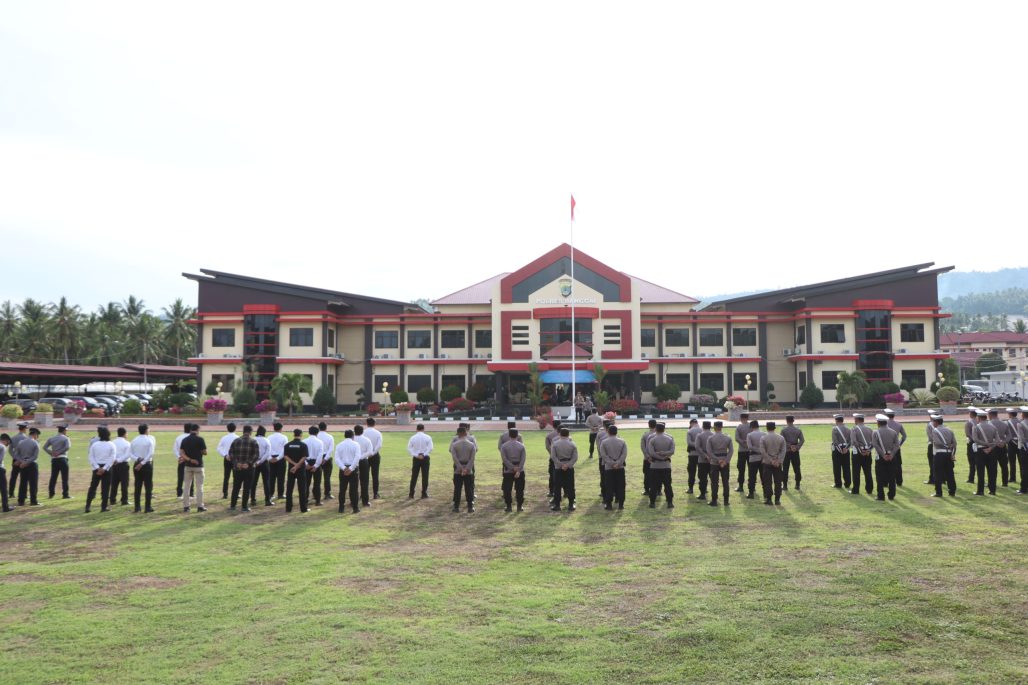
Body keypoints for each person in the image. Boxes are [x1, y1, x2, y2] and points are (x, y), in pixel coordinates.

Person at [229, 425, 259, 512]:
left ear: (243, 431)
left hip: (237, 468)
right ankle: (244, 506)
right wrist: (248, 463)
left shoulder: (236, 441)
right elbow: (256, 455)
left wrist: (236, 463)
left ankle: (233, 505)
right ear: (251, 432)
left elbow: (231, 453)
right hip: (249, 469)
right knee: (247, 488)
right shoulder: (253, 442)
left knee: (236, 487)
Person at [85, 426, 116, 513]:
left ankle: (88, 506)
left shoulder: (95, 444)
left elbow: (91, 457)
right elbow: (112, 458)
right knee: (105, 488)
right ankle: (103, 507)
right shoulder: (111, 444)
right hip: (107, 468)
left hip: (96, 468)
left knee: (93, 487)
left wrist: (97, 468)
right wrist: (105, 468)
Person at [179, 424, 208, 513]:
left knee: (187, 486)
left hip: (188, 465)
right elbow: (205, 452)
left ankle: (186, 506)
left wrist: (190, 460)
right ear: (198, 430)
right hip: (198, 465)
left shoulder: (184, 439)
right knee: (199, 487)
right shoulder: (200, 439)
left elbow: (182, 453)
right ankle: (200, 506)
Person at [971, 409, 999, 496]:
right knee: (992, 471)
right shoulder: (993, 427)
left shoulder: (975, 427)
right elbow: (997, 440)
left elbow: (975, 439)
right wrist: (990, 447)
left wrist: (986, 445)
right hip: (992, 451)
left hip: (980, 450)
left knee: (980, 471)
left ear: (979, 418)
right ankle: (992, 490)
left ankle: (980, 491)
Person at [928, 415, 957, 497]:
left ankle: (938, 492)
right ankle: (952, 491)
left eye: (933, 421)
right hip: (949, 454)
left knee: (937, 473)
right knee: (950, 473)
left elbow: (937, 442)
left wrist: (945, 446)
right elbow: (954, 444)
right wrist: (953, 454)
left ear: (936, 422)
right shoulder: (949, 430)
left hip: (939, 454)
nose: (932, 423)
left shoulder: (935, 431)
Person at [550, 427, 578, 512]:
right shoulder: (572, 444)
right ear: (568, 435)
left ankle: (557, 505)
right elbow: (575, 457)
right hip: (569, 467)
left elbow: (553, 457)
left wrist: (561, 464)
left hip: (558, 467)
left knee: (557, 486)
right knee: (570, 486)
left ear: (559, 434)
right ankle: (571, 504)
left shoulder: (555, 444)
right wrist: (568, 465)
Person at [872, 414, 900, 501]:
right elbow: (897, 445)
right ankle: (891, 495)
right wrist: (891, 455)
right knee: (892, 476)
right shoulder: (893, 432)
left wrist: (883, 455)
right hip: (892, 457)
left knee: (879, 477)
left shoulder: (875, 432)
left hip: (880, 457)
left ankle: (881, 495)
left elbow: (875, 445)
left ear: (878, 422)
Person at [599, 424, 627, 510]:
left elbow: (603, 455)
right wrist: (618, 463)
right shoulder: (622, 441)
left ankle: (609, 504)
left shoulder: (604, 442)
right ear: (616, 432)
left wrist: (611, 463)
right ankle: (621, 504)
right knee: (621, 485)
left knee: (609, 485)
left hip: (608, 467)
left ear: (608, 431)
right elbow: (624, 454)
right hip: (620, 467)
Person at [648, 422, 675, 509]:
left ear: (655, 429)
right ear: (664, 429)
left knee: (653, 485)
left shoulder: (652, 439)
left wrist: (659, 456)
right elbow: (672, 451)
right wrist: (664, 455)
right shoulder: (670, 439)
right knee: (668, 484)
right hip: (666, 465)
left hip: (655, 465)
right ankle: (670, 502)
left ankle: (652, 503)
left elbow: (651, 453)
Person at [130, 424, 156, 513]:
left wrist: (138, 460)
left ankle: (137, 507)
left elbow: (130, 453)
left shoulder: (134, 440)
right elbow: (151, 453)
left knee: (137, 486)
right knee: (148, 486)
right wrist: (143, 463)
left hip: (137, 464)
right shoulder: (149, 440)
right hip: (147, 464)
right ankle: (147, 507)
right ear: (146, 430)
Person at [283, 429, 310, 513]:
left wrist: (294, 465)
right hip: (300, 469)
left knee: (289, 489)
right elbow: (304, 457)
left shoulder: (288, 445)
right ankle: (303, 508)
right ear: (301, 434)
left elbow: (285, 456)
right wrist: (297, 465)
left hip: (291, 469)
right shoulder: (303, 445)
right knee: (302, 488)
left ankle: (288, 508)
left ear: (293, 434)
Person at [500, 428, 527, 512]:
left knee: (507, 489)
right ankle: (519, 506)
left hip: (508, 470)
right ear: (517, 435)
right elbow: (523, 459)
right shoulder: (521, 446)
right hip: (520, 469)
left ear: (509, 435)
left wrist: (512, 467)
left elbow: (504, 459)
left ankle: (509, 506)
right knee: (520, 489)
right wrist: (518, 469)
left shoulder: (504, 446)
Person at [450, 426, 476, 513]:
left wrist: (461, 468)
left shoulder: (454, 445)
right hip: (468, 469)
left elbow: (454, 458)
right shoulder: (472, 445)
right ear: (466, 433)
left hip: (458, 469)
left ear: (458, 434)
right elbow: (472, 459)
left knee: (457, 488)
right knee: (469, 488)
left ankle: (456, 507)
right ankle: (470, 507)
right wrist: (467, 469)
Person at [334, 429, 361, 513]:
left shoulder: (339, 445)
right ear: (353, 436)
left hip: (343, 469)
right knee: (354, 489)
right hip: (353, 468)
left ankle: (341, 508)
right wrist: (351, 468)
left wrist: (344, 468)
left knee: (342, 489)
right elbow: (357, 457)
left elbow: (337, 458)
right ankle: (355, 508)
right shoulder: (356, 444)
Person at [760, 421, 786, 505]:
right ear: (775, 428)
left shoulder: (763, 438)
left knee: (767, 481)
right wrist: (778, 460)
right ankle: (777, 499)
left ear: (767, 428)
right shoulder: (781, 438)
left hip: (767, 462)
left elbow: (763, 452)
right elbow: (783, 451)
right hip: (778, 463)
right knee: (778, 481)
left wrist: (771, 461)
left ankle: (769, 499)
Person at [707, 421, 732, 506]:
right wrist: (725, 461)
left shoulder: (711, 438)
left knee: (714, 482)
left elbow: (709, 452)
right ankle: (726, 501)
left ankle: (714, 500)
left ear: (714, 427)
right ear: (722, 427)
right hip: (725, 462)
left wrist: (718, 460)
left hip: (714, 462)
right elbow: (731, 451)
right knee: (725, 482)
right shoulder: (728, 438)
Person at [43, 425, 71, 499]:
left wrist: (51, 453)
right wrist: (60, 452)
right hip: (62, 458)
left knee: (53, 477)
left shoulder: (52, 438)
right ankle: (65, 494)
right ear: (64, 430)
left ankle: (51, 494)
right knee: (64, 477)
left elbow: (45, 447)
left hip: (54, 459)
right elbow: (67, 447)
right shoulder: (66, 438)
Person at [850, 414, 875, 495]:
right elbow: (874, 442)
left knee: (856, 472)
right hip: (867, 452)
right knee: (868, 472)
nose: (854, 420)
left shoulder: (854, 429)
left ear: (857, 419)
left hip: (857, 453)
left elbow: (854, 441)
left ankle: (856, 490)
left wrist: (861, 451)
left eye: (855, 419)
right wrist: (868, 450)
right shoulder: (869, 429)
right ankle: (869, 489)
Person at [407, 423, 433, 499]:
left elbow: (409, 448)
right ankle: (424, 493)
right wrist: (424, 454)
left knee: (414, 476)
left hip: (416, 458)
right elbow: (430, 448)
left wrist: (416, 455)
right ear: (423, 429)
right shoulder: (428, 437)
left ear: (416, 429)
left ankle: (411, 494)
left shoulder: (413, 437)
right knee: (425, 476)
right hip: (425, 458)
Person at [108, 427, 132, 507]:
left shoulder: (112, 442)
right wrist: (118, 460)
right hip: (123, 464)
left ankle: (112, 499)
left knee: (114, 482)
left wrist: (114, 460)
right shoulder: (127, 443)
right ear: (125, 434)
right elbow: (127, 455)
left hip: (113, 464)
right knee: (124, 483)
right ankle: (124, 500)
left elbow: (110, 453)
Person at [883, 408, 907, 486]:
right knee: (898, 465)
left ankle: (886, 482)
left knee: (885, 464)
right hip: (896, 448)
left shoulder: (884, 424)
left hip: (886, 447)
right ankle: (899, 481)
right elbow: (904, 436)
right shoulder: (899, 424)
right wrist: (899, 444)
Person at [251, 426, 274, 507]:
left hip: (253, 462)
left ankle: (253, 499)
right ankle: (267, 500)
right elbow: (268, 453)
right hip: (264, 462)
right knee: (266, 481)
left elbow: (251, 452)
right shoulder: (266, 440)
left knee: (253, 482)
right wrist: (260, 461)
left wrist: (256, 461)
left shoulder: (253, 440)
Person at [989, 408, 1012, 487]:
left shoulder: (989, 424)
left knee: (992, 466)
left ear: (991, 415)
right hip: (1002, 446)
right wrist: (1004, 442)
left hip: (993, 447)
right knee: (1004, 465)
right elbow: (1009, 435)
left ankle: (992, 483)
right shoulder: (1004, 423)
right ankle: (1005, 482)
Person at [780, 416, 804, 490]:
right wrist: (796, 447)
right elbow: (802, 440)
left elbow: (782, 441)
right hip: (795, 451)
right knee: (797, 468)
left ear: (786, 421)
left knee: (785, 468)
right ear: (793, 421)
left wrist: (790, 446)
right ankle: (797, 485)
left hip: (786, 451)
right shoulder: (798, 430)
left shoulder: (784, 430)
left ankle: (785, 486)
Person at [303, 426, 324, 507]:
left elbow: (302, 455)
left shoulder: (304, 441)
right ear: (317, 433)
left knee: (306, 483)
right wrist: (316, 466)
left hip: (307, 462)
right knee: (317, 483)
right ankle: (317, 501)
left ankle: (305, 500)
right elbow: (320, 455)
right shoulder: (320, 442)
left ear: (309, 432)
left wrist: (306, 464)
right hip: (316, 462)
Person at [217, 423, 239, 499]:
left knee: (226, 476)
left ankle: (225, 493)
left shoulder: (224, 438)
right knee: (236, 476)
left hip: (226, 458)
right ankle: (236, 493)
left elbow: (219, 448)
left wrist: (225, 455)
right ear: (235, 428)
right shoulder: (237, 438)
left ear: (227, 428)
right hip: (235, 459)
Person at [830, 413, 852, 489]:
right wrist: (846, 449)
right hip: (846, 449)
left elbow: (835, 442)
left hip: (837, 450)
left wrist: (840, 450)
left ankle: (838, 483)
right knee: (846, 467)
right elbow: (850, 441)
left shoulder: (835, 429)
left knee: (837, 467)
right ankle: (847, 483)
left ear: (836, 420)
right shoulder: (848, 429)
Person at [268, 422, 289, 501]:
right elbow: (285, 450)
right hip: (281, 458)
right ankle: (280, 494)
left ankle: (270, 493)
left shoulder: (269, 437)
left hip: (271, 458)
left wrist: (270, 458)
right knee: (281, 477)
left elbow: (268, 449)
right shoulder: (284, 437)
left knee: (271, 477)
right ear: (281, 428)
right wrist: (278, 458)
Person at [7, 422, 28, 498]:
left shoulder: (13, 438)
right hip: (24, 460)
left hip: (15, 460)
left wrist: (16, 458)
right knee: (24, 478)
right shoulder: (26, 438)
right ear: (25, 429)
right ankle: (24, 494)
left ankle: (11, 493)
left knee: (13, 477)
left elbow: (10, 450)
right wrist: (21, 460)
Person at [365, 417, 384, 500]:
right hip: (375, 455)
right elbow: (379, 445)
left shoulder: (363, 432)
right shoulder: (378, 433)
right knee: (375, 475)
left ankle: (363, 493)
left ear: (366, 423)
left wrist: (367, 453)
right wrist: (373, 453)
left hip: (365, 456)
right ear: (374, 423)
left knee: (364, 475)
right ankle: (375, 493)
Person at [354, 425, 373, 507]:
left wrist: (356, 458)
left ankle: (354, 500)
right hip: (364, 461)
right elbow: (370, 452)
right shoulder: (367, 440)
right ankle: (365, 501)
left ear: (354, 431)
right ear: (362, 431)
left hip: (353, 462)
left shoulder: (352, 439)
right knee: (365, 481)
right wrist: (361, 457)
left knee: (354, 482)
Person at [173, 423, 193, 499]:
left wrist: (179, 457)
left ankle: (179, 494)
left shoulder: (179, 437)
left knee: (180, 476)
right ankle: (191, 493)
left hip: (181, 459)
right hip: (190, 460)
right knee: (191, 476)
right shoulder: (193, 437)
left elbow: (175, 449)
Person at [744, 420, 763, 499]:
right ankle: (766, 492)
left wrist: (757, 450)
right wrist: (761, 451)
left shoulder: (749, 435)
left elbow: (750, 447)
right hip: (762, 458)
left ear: (751, 427)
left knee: (752, 476)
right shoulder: (764, 434)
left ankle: (751, 493)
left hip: (753, 458)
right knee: (764, 476)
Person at [695, 421, 713, 500]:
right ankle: (714, 494)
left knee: (702, 478)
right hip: (712, 460)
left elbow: (697, 447)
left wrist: (705, 456)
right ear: (710, 427)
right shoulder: (713, 435)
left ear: (703, 426)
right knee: (713, 478)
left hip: (702, 459)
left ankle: (703, 494)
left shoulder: (700, 435)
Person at [317, 422, 335, 501]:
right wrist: (325, 458)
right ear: (326, 428)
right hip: (326, 458)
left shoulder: (316, 436)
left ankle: (316, 494)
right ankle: (327, 494)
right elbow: (331, 449)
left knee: (316, 478)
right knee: (327, 477)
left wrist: (319, 459)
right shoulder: (329, 436)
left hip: (317, 457)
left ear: (319, 427)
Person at [545, 420, 562, 500]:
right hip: (563, 458)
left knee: (552, 474)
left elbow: (547, 447)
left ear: (553, 425)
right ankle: (565, 492)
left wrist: (552, 454)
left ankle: (552, 491)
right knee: (565, 475)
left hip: (553, 458)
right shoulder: (565, 434)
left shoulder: (549, 435)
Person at [641, 419, 658, 498]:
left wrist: (647, 456)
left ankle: (647, 490)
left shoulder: (645, 435)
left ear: (648, 425)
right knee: (658, 475)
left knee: (647, 475)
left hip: (647, 459)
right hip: (657, 459)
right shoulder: (659, 434)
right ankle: (658, 490)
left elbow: (643, 447)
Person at [734, 412, 751, 492]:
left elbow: (737, 438)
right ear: (747, 418)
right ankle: (752, 486)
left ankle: (740, 486)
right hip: (751, 450)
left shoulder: (739, 427)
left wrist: (743, 443)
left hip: (742, 450)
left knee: (741, 469)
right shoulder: (751, 426)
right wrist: (748, 444)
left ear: (741, 418)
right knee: (751, 469)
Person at [1005, 408, 1020, 484]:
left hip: (1011, 443)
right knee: (1022, 463)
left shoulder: (1008, 422)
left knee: (1012, 462)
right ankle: (1023, 478)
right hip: (1021, 443)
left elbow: (1006, 434)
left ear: (1010, 414)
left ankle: (1012, 478)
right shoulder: (1020, 421)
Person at [963, 407, 978, 484]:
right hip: (980, 443)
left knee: (972, 462)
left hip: (972, 443)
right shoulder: (979, 421)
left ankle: (971, 478)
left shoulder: (968, 423)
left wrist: (974, 440)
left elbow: (967, 434)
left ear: (971, 414)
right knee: (979, 462)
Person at [685, 419, 700, 494]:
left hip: (692, 454)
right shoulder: (703, 430)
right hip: (702, 455)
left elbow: (689, 443)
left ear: (691, 423)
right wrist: (700, 446)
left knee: (691, 472)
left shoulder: (690, 431)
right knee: (703, 473)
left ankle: (690, 488)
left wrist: (696, 445)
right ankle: (703, 489)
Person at [1015, 407, 1028, 496]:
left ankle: (1023, 488)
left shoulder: (1020, 424)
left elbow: (1022, 439)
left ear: (1023, 415)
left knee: (1024, 469)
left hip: (1024, 448)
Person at [0, 433, 12, 512]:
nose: (8, 445)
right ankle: (5, 507)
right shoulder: (3, 447)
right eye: (8, 443)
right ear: (6, 441)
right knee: (4, 489)